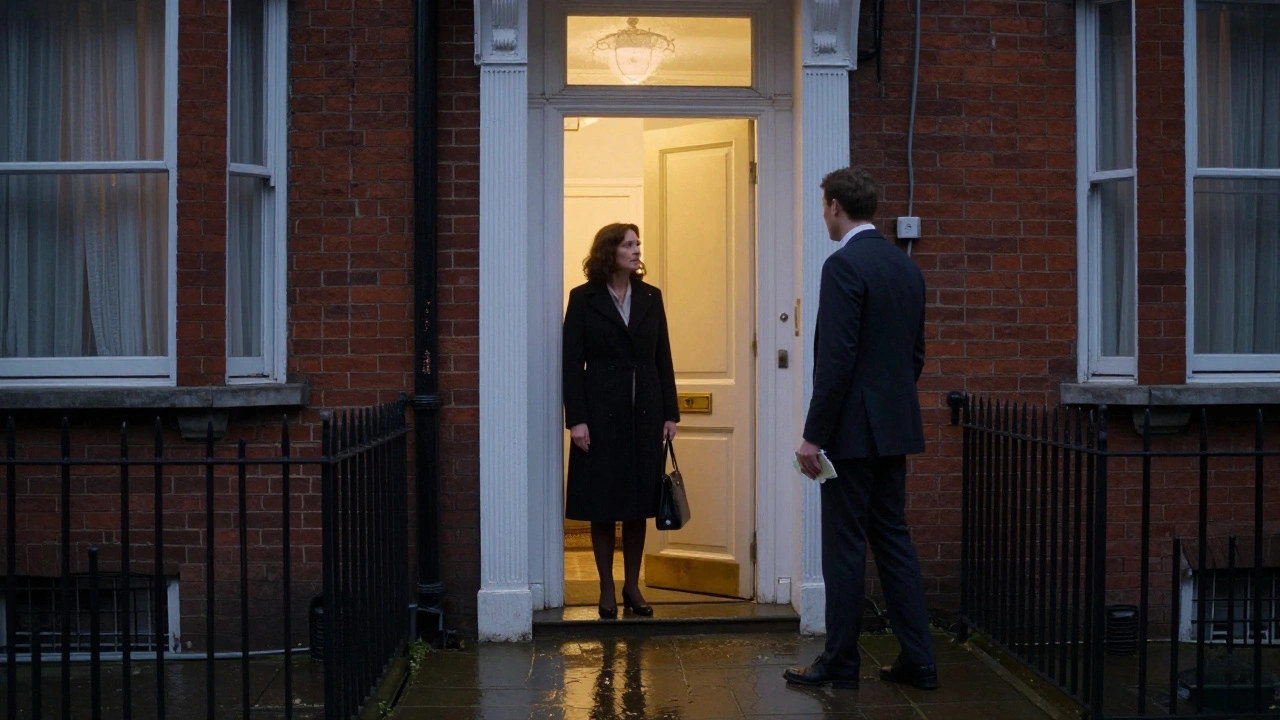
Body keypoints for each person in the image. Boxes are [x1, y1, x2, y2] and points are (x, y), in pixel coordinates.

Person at [784, 168, 938, 691]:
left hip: (850, 436)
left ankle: (841, 662)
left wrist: (814, 435)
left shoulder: (843, 265)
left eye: (823, 206)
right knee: (893, 541)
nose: (823, 215)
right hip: (894, 430)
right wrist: (887, 407)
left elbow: (836, 360)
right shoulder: (905, 266)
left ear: (834, 205)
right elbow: (915, 355)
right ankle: (920, 660)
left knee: (845, 548)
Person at [563, 222, 680, 619]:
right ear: (609, 251)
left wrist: (670, 412)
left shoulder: (650, 296)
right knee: (603, 504)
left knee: (637, 503)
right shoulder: (583, 298)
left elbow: (663, 357)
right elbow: (571, 364)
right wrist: (577, 420)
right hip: (599, 416)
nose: (636, 250)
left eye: (637, 244)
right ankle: (605, 588)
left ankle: (632, 586)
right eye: (629, 244)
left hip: (644, 415)